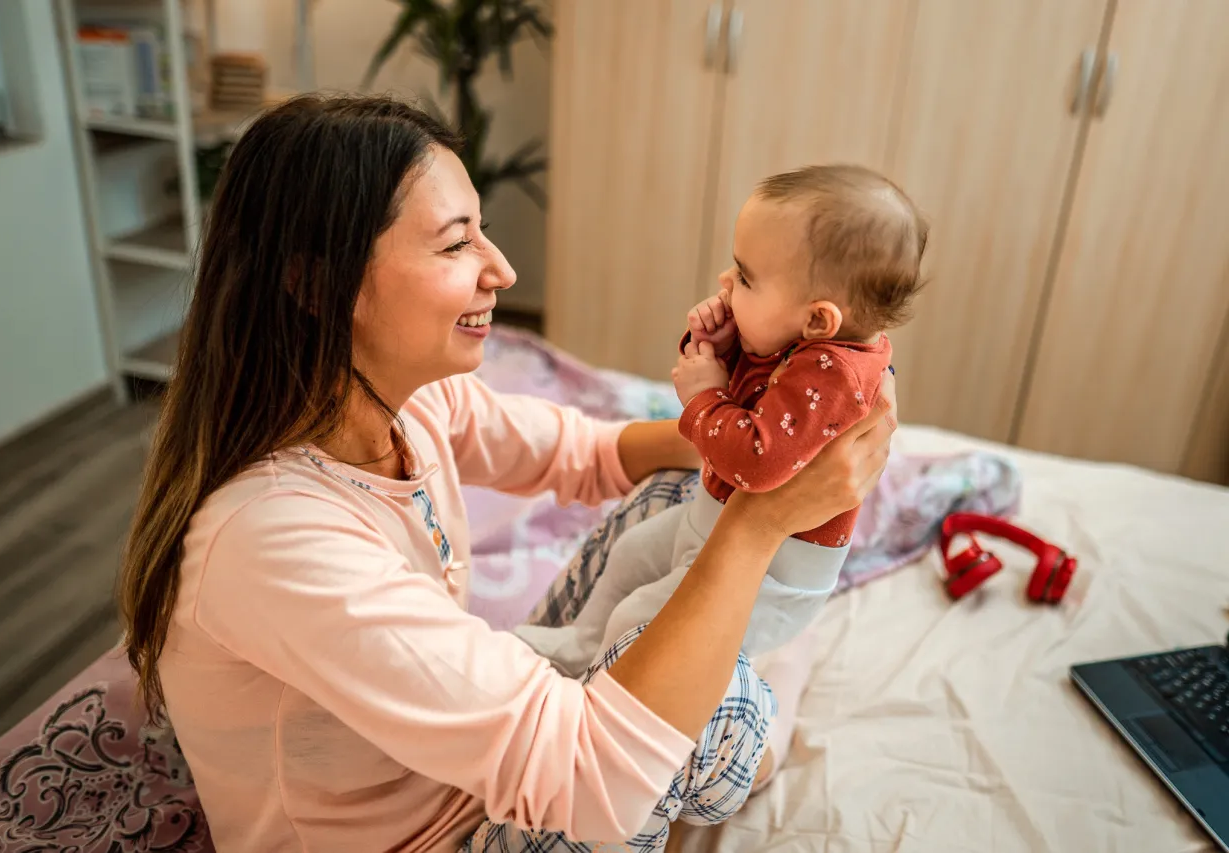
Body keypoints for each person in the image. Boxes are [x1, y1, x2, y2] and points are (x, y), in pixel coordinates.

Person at [116, 95, 897, 853]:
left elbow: (585, 454)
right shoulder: (274, 538)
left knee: (671, 498)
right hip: (434, 833)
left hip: (472, 770)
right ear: (320, 286)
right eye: (457, 245)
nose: (503, 270)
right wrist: (763, 521)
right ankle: (754, 725)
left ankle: (739, 707)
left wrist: (763, 430)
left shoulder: (404, 403)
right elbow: (595, 785)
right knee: (711, 701)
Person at [518, 165, 926, 678]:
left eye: (747, 277)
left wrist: (703, 395)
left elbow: (755, 460)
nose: (727, 282)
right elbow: (754, 391)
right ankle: (579, 642)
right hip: (718, 526)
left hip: (770, 576)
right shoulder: (802, 343)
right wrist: (719, 348)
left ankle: (589, 678)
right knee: (630, 556)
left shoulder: (835, 375)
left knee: (639, 617)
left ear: (819, 320)